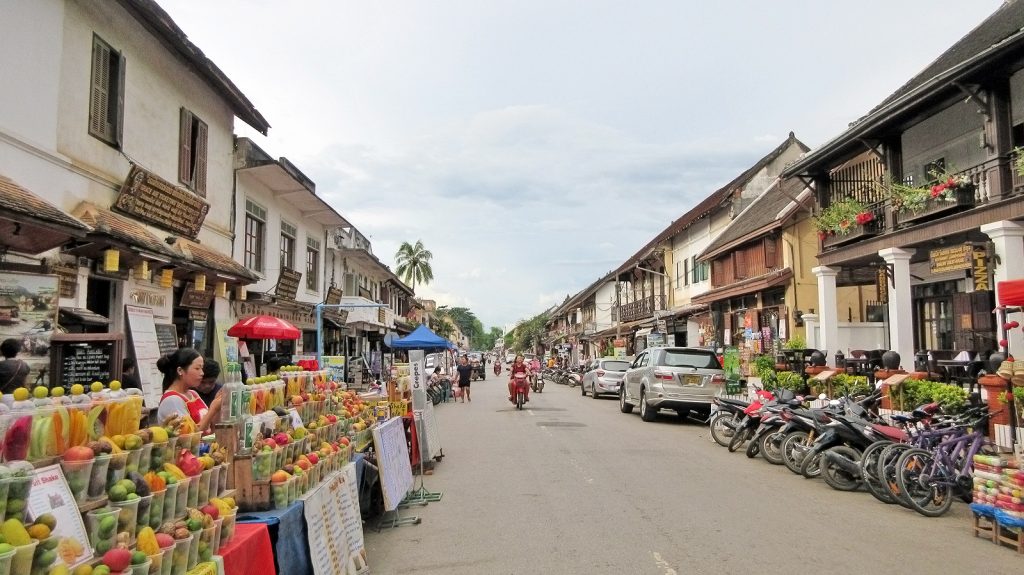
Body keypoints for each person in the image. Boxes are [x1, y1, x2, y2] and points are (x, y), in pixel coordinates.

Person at [156, 348, 222, 432]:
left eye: (202, 368)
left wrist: (218, 405)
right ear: (180, 371)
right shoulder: (172, 400)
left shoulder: (193, 393)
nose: (202, 373)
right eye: (197, 368)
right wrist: (213, 409)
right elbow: (189, 436)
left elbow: (210, 426)